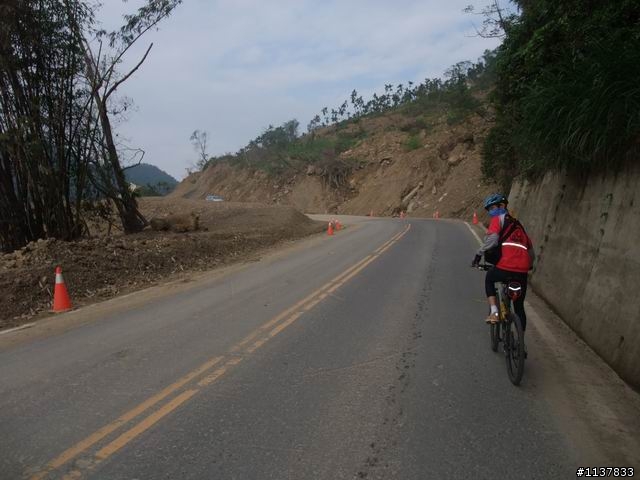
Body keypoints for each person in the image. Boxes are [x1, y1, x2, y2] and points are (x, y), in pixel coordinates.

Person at [471, 193, 535, 330]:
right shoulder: (518, 225)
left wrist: (478, 255)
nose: (491, 212)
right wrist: (528, 266)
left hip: (505, 265)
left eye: (492, 208)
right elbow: (530, 250)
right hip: (522, 270)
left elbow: (492, 240)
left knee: (489, 279)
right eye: (489, 210)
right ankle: (520, 343)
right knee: (519, 307)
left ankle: (494, 312)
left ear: (502, 206)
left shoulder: (497, 220)